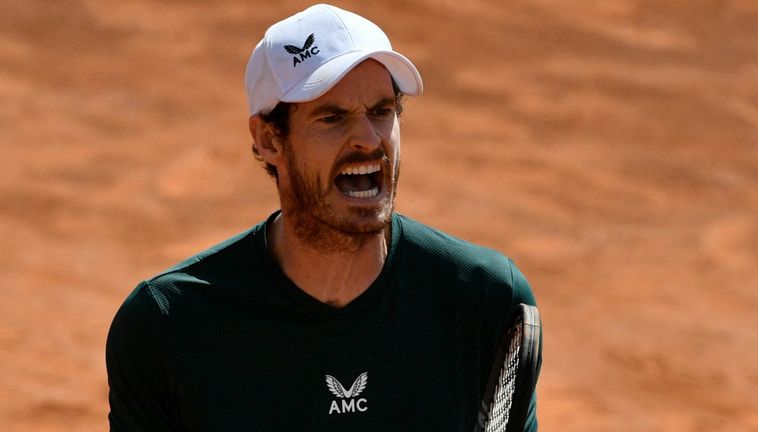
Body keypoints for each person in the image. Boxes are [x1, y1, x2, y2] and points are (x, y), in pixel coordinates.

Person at [106, 4, 540, 431]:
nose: (368, 140)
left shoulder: (484, 302)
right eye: (332, 117)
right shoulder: (168, 327)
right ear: (268, 139)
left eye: (382, 111)